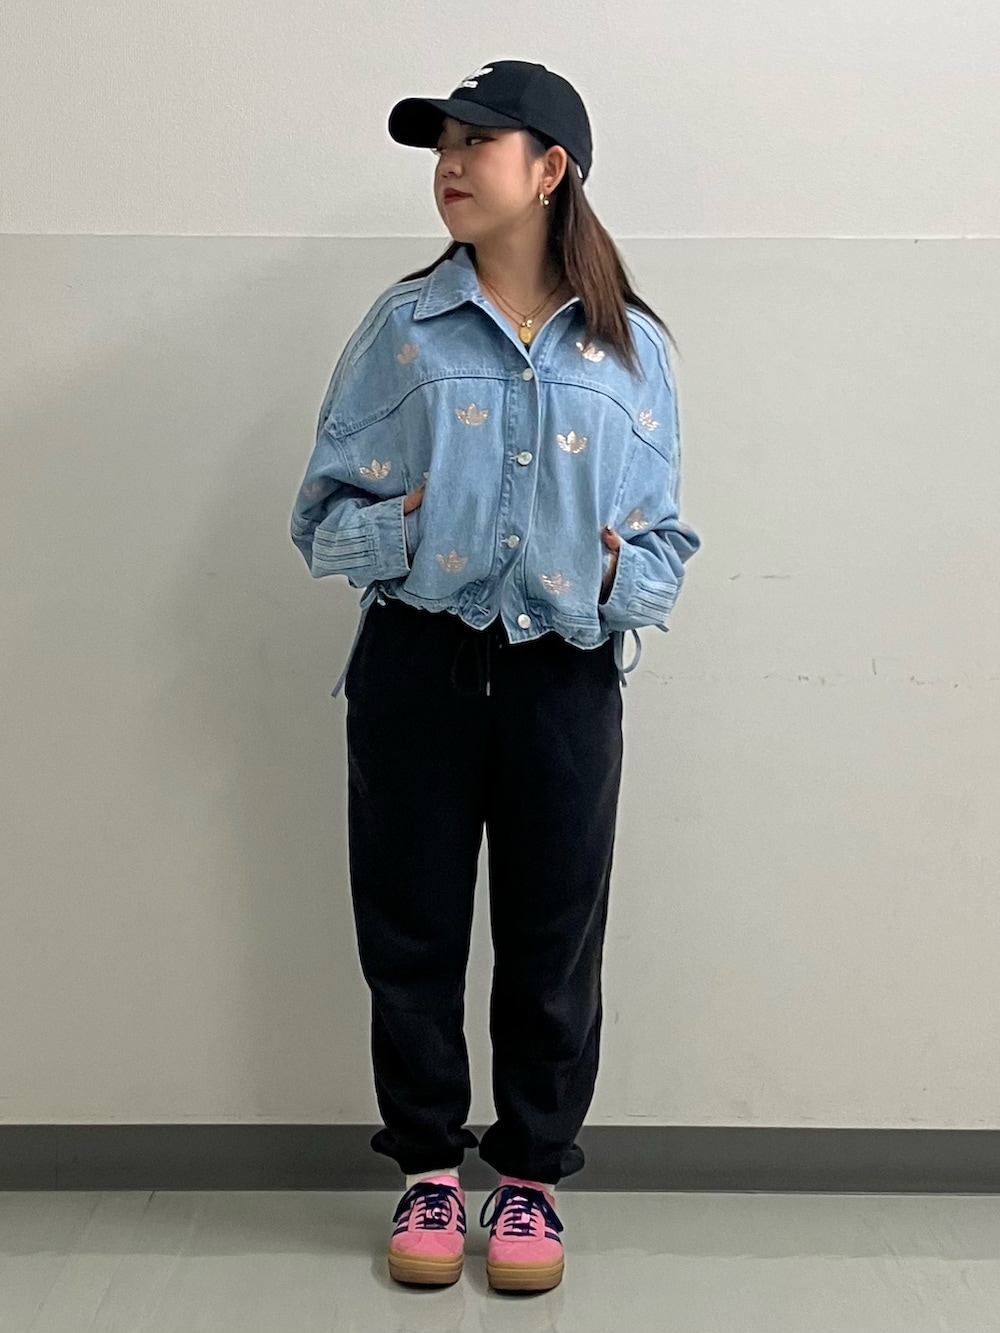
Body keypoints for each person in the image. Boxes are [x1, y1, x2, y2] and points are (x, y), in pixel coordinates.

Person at [290, 58, 702, 1292]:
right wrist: (397, 534)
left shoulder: (631, 349)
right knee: (409, 930)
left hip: (564, 679)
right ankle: (426, 1167)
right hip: (417, 666)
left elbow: (665, 545)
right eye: (441, 147)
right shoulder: (401, 330)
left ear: (551, 168)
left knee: (553, 939)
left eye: (477, 142)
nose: (451, 166)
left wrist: (618, 576)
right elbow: (320, 518)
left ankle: (527, 1181)